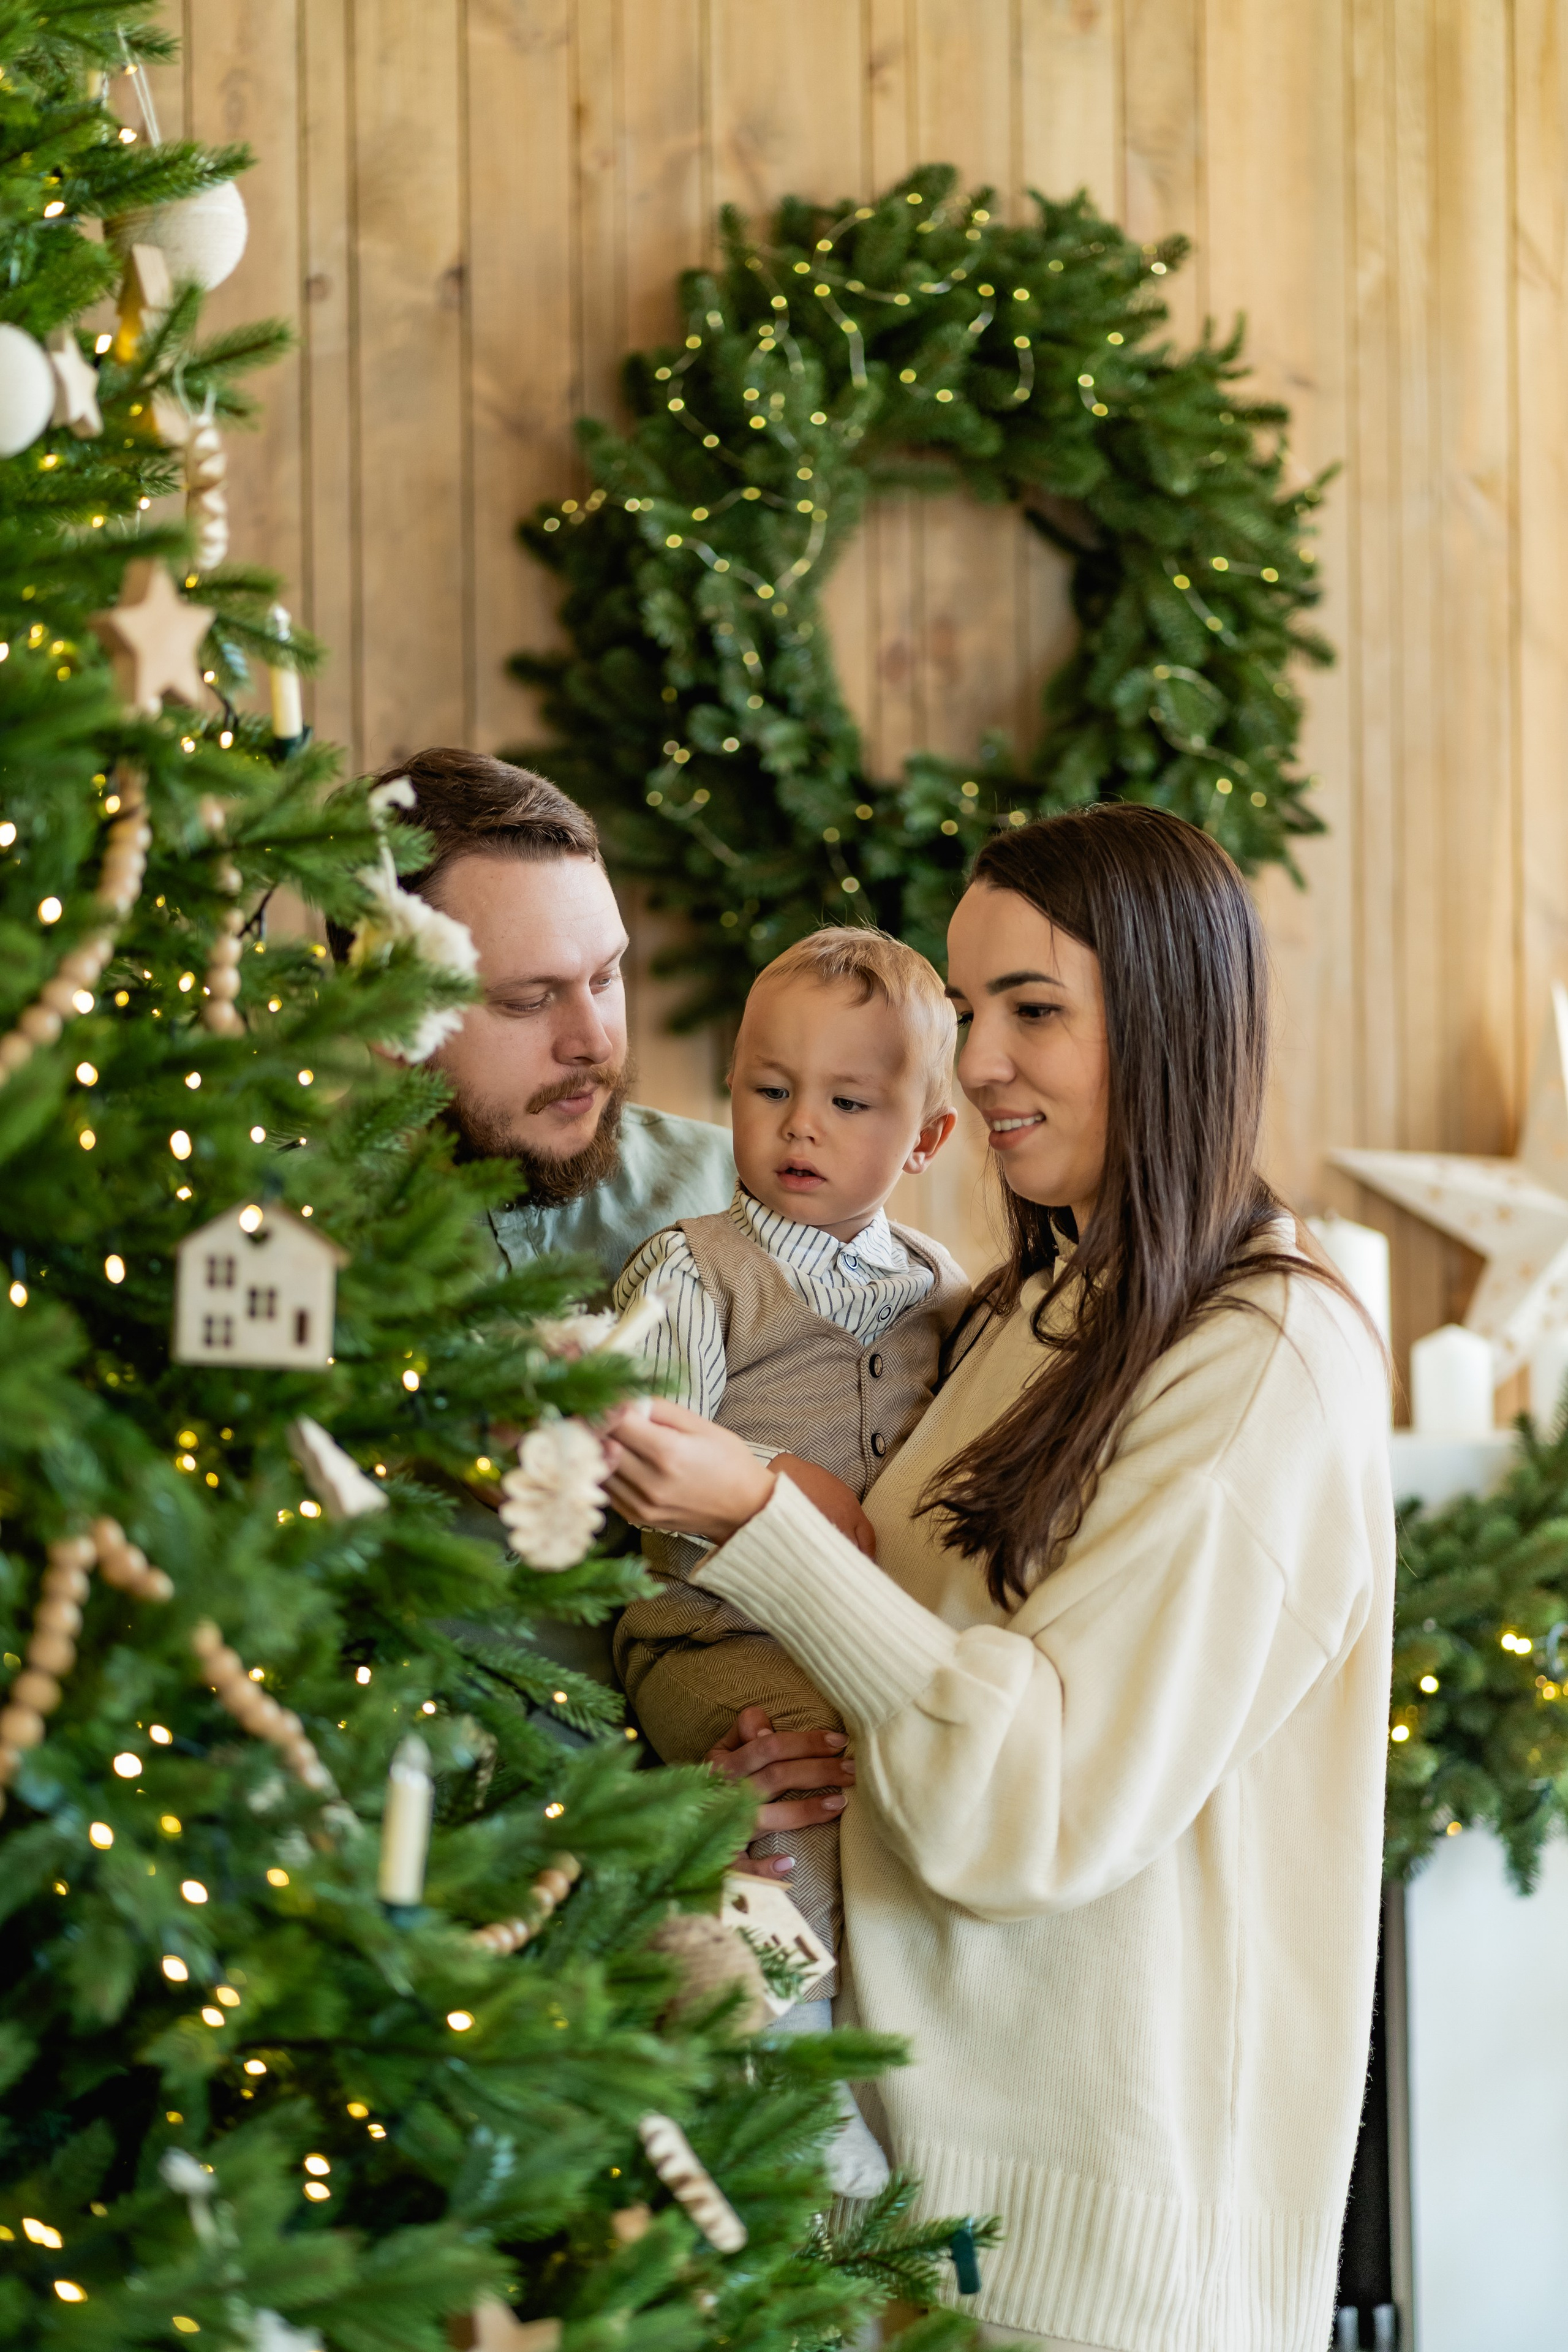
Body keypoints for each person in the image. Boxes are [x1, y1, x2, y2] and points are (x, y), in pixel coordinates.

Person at [597, 804, 1395, 2352]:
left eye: (1033, 1010)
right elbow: (913, 1662)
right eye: (967, 1011)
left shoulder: (1258, 1359)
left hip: (1086, 2269)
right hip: (919, 2215)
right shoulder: (1032, 1309)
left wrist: (764, 1521)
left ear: (1166, 1020)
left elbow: (1030, 1802)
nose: (975, 1063)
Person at [609, 925, 970, 2195]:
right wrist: (775, 1485)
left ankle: (903, 2096)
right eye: (769, 1089)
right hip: (712, 1633)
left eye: (848, 1102)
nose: (799, 1125)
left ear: (926, 1137)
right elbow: (647, 1467)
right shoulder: (693, 1270)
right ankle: (774, 2082)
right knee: (803, 1786)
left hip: (869, 1644)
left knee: (930, 1802)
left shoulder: (943, 1290)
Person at [383, 746, 736, 1288]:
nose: (595, 1043)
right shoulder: (269, 1226)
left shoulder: (739, 1193)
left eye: (605, 978)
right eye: (528, 1001)